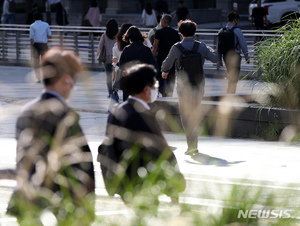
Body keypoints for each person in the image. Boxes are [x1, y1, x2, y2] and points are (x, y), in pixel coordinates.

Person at [6, 47, 95, 224]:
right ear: (66, 80)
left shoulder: (26, 112)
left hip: (27, 201)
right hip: (58, 205)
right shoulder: (65, 115)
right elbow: (80, 166)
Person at [103, 63, 186, 212]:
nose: (156, 87)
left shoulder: (117, 111)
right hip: (145, 184)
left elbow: (108, 148)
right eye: (154, 84)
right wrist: (173, 187)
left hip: (125, 184)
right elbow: (160, 154)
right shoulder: (143, 115)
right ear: (146, 89)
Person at [161, 20, 220, 155]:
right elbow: (215, 58)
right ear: (194, 31)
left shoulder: (176, 48)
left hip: (183, 88)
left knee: (186, 115)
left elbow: (166, 65)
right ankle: (195, 143)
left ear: (180, 32)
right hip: (199, 86)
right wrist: (209, 49)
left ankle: (191, 145)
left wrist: (164, 72)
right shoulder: (201, 46)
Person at [119, 26, 158, 101]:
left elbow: (121, 66)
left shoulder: (127, 50)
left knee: (129, 106)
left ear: (129, 37)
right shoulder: (146, 50)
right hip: (143, 83)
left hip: (129, 82)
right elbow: (153, 67)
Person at [217, 11, 250, 94]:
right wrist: (247, 56)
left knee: (230, 72)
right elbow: (243, 44)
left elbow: (219, 46)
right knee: (235, 74)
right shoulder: (237, 30)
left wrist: (219, 59)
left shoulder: (221, 30)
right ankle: (231, 92)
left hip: (225, 56)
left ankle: (230, 91)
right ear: (235, 20)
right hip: (235, 55)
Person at [152, 14, 181, 97]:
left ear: (163, 21)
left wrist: (152, 56)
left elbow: (155, 45)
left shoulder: (159, 32)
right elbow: (178, 46)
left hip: (161, 57)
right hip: (172, 58)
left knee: (160, 76)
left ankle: (162, 90)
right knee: (171, 76)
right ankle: (170, 93)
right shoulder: (175, 33)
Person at [97, 19, 118, 98]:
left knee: (108, 76)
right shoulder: (118, 35)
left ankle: (110, 93)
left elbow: (100, 47)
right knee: (116, 76)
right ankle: (115, 91)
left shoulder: (104, 36)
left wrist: (99, 58)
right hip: (116, 59)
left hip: (107, 59)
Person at [111, 23, 132, 103]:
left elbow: (114, 62)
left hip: (120, 73)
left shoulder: (117, 46)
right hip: (132, 72)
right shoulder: (134, 46)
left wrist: (113, 77)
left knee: (125, 94)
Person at [30, 11, 52, 83]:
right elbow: (49, 34)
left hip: (36, 44)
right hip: (44, 44)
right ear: (41, 17)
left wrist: (31, 45)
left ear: (34, 18)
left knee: (36, 61)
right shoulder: (46, 24)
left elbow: (31, 37)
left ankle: (38, 78)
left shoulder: (32, 26)